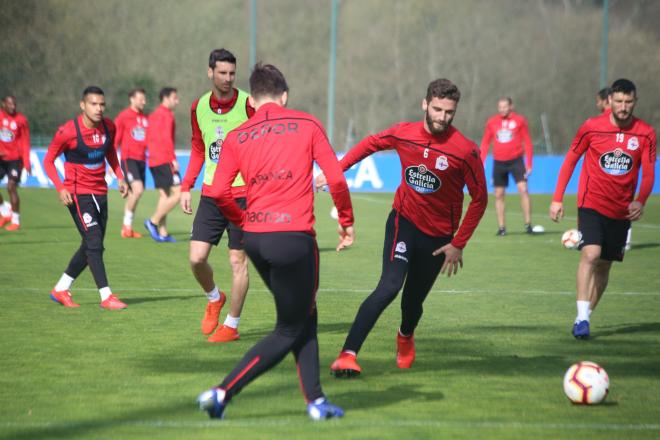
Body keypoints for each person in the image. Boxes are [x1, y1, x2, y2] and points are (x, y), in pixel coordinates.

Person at [197, 63, 353, 421]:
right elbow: (337, 181)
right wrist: (346, 222)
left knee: (303, 315)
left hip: (254, 240)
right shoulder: (308, 124)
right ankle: (222, 392)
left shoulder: (237, 134)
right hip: (294, 239)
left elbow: (217, 191)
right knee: (288, 328)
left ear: (252, 100)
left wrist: (241, 220)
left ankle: (315, 401)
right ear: (285, 96)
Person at [317, 78, 487, 377]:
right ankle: (347, 354)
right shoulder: (404, 133)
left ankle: (406, 335)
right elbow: (371, 143)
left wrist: (459, 243)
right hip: (403, 222)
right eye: (437, 109)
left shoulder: (465, 151)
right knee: (389, 286)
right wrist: (336, 170)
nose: (442, 117)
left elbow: (480, 200)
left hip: (439, 238)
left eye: (449, 112)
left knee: (412, 304)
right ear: (425, 104)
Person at [550, 78, 656, 339]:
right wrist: (557, 198)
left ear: (635, 101)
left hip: (621, 210)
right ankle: (583, 316)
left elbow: (650, 173)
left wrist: (640, 201)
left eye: (628, 102)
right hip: (591, 203)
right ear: (609, 101)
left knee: (605, 266)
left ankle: (583, 317)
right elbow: (571, 160)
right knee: (590, 255)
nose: (623, 107)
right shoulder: (591, 127)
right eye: (618, 101)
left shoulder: (645, 133)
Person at [180, 49, 255, 343]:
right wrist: (187, 185)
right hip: (212, 194)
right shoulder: (198, 107)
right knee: (196, 259)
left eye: (232, 73)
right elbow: (199, 148)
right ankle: (214, 297)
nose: (228, 78)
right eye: (222, 73)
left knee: (238, 262)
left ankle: (231, 326)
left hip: (244, 195)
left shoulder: (249, 104)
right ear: (210, 72)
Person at [43, 86, 129, 309]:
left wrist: (119, 176)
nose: (99, 109)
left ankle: (60, 289)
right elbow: (48, 161)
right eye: (94, 104)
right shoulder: (67, 132)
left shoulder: (109, 126)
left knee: (92, 244)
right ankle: (106, 296)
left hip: (100, 192)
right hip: (78, 194)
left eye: (102, 104)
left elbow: (109, 151)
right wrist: (61, 187)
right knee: (94, 243)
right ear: (83, 105)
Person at [480, 97, 533, 235]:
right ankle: (502, 227)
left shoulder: (520, 120)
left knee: (523, 189)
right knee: (499, 194)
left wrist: (529, 163)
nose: (502, 109)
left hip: (516, 161)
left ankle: (528, 224)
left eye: (505, 106)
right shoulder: (492, 122)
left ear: (511, 106)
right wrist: (481, 161)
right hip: (499, 162)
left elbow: (527, 142)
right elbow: (485, 143)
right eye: (500, 107)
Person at [144, 87, 180, 242]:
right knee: (178, 194)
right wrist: (173, 159)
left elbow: (149, 138)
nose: (177, 101)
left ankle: (163, 233)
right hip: (164, 159)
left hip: (153, 160)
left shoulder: (152, 115)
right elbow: (166, 139)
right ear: (166, 98)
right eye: (175, 98)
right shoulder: (167, 115)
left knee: (164, 195)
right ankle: (153, 222)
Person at [115, 88, 148, 238]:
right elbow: (115, 140)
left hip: (142, 160)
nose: (144, 101)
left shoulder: (145, 118)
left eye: (144, 99)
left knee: (135, 194)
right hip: (129, 159)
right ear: (132, 99)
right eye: (141, 98)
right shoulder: (124, 116)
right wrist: (112, 163)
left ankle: (127, 228)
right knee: (138, 190)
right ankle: (126, 226)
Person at [0, 95, 31, 231]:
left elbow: (25, 141)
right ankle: (5, 212)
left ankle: (16, 221)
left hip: (15, 159)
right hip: (1, 159)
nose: (12, 107)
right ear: (3, 104)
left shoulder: (21, 120)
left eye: (14, 104)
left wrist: (27, 162)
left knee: (11, 186)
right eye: (10, 104)